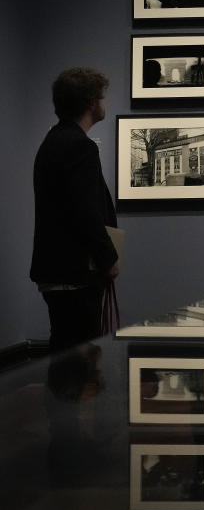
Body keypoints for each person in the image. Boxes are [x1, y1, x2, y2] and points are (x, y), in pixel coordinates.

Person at [31, 68, 119, 351]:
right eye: (102, 97)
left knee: (67, 355)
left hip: (57, 271)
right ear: (91, 102)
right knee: (79, 364)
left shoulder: (54, 141)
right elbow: (86, 213)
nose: (104, 103)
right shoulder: (80, 147)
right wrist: (109, 258)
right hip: (75, 274)